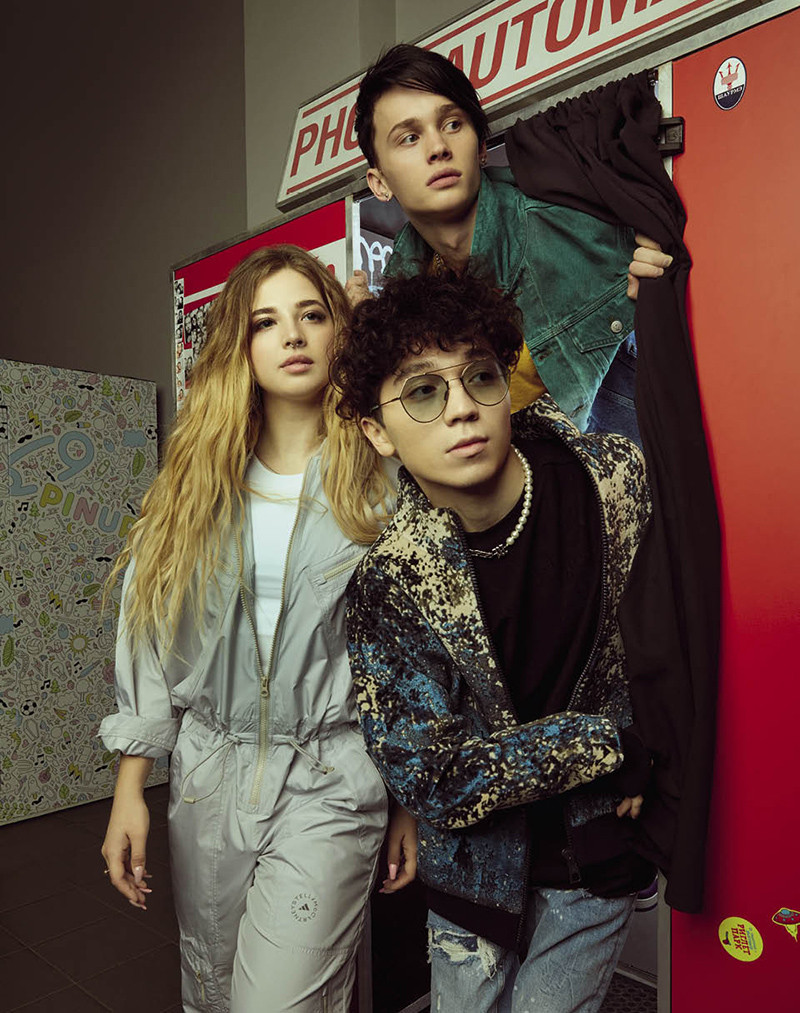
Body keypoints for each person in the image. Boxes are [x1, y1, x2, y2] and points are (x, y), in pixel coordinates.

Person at [99, 245, 415, 1013]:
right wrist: (130, 786)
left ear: (340, 331)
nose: (293, 335)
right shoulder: (195, 484)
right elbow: (148, 632)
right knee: (211, 989)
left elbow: (417, 649)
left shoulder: (386, 479)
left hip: (332, 777)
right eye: (266, 322)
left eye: (311, 315)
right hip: (209, 775)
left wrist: (408, 796)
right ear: (239, 345)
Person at [331, 270, 655, 1013]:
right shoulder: (391, 583)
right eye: (422, 392)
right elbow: (432, 777)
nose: (461, 409)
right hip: (474, 881)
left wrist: (658, 756)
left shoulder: (613, 482)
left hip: (598, 855)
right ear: (377, 430)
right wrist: (606, 745)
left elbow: (672, 638)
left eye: (479, 377)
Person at [347, 43, 671, 435]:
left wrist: (656, 276)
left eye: (453, 124)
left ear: (482, 148)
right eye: (410, 137)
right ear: (379, 183)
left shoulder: (568, 226)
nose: (438, 148)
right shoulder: (407, 290)